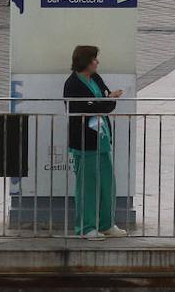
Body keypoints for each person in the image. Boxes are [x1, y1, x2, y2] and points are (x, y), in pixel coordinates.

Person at [63, 45, 127, 241]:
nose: (97, 62)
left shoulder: (96, 78)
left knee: (108, 183)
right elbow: (87, 106)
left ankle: (106, 224)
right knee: (87, 185)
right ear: (85, 62)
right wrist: (106, 100)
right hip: (84, 141)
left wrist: (105, 101)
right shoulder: (72, 84)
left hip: (102, 139)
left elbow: (106, 104)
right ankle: (86, 226)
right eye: (94, 59)